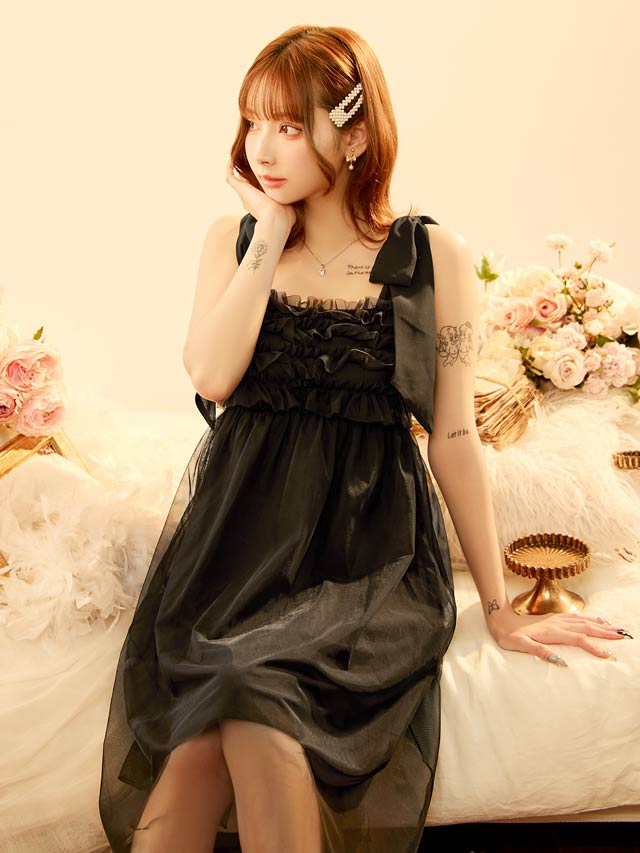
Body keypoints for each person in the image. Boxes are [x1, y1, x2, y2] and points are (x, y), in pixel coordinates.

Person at [98, 23, 627, 853]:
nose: (261, 148)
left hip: (365, 552)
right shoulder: (233, 242)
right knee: (203, 729)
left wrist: (498, 608)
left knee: (250, 695)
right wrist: (268, 234)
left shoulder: (431, 255)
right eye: (253, 122)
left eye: (289, 124)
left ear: (352, 135)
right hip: (236, 548)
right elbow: (212, 376)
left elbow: (455, 435)